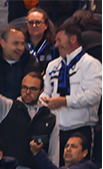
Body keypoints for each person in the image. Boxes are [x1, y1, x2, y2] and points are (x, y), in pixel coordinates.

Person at [39, 24, 100, 156]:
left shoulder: (90, 64)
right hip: (55, 130)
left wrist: (64, 101)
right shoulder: (52, 65)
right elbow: (45, 92)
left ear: (73, 39)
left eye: (59, 40)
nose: (56, 45)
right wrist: (43, 100)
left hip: (81, 129)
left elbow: (94, 95)